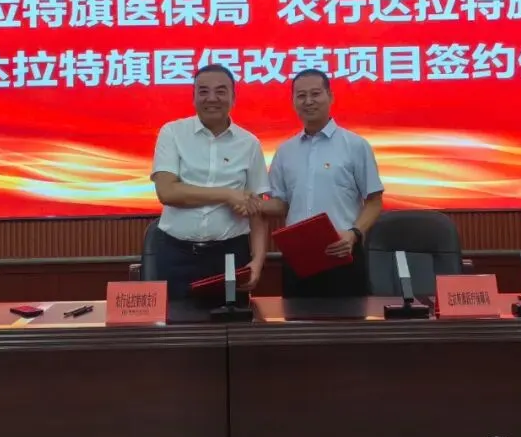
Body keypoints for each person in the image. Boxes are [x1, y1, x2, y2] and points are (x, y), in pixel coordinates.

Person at [259, 68, 384, 297]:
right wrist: (248, 202)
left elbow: (374, 201)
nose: (308, 101)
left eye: (315, 94)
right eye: (301, 96)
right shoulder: (285, 151)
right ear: (293, 101)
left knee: (349, 318)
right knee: (295, 319)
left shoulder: (355, 145)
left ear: (330, 96)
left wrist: (354, 233)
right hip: (298, 259)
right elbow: (281, 204)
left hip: (343, 253)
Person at [150, 64, 270, 301]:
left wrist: (257, 261)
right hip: (176, 254)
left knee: (231, 321)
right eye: (203, 91)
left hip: (230, 254)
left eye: (220, 91)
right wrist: (228, 194)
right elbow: (167, 192)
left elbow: (257, 211)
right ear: (193, 96)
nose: (212, 98)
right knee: (176, 322)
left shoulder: (249, 143)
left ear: (233, 97)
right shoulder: (172, 133)